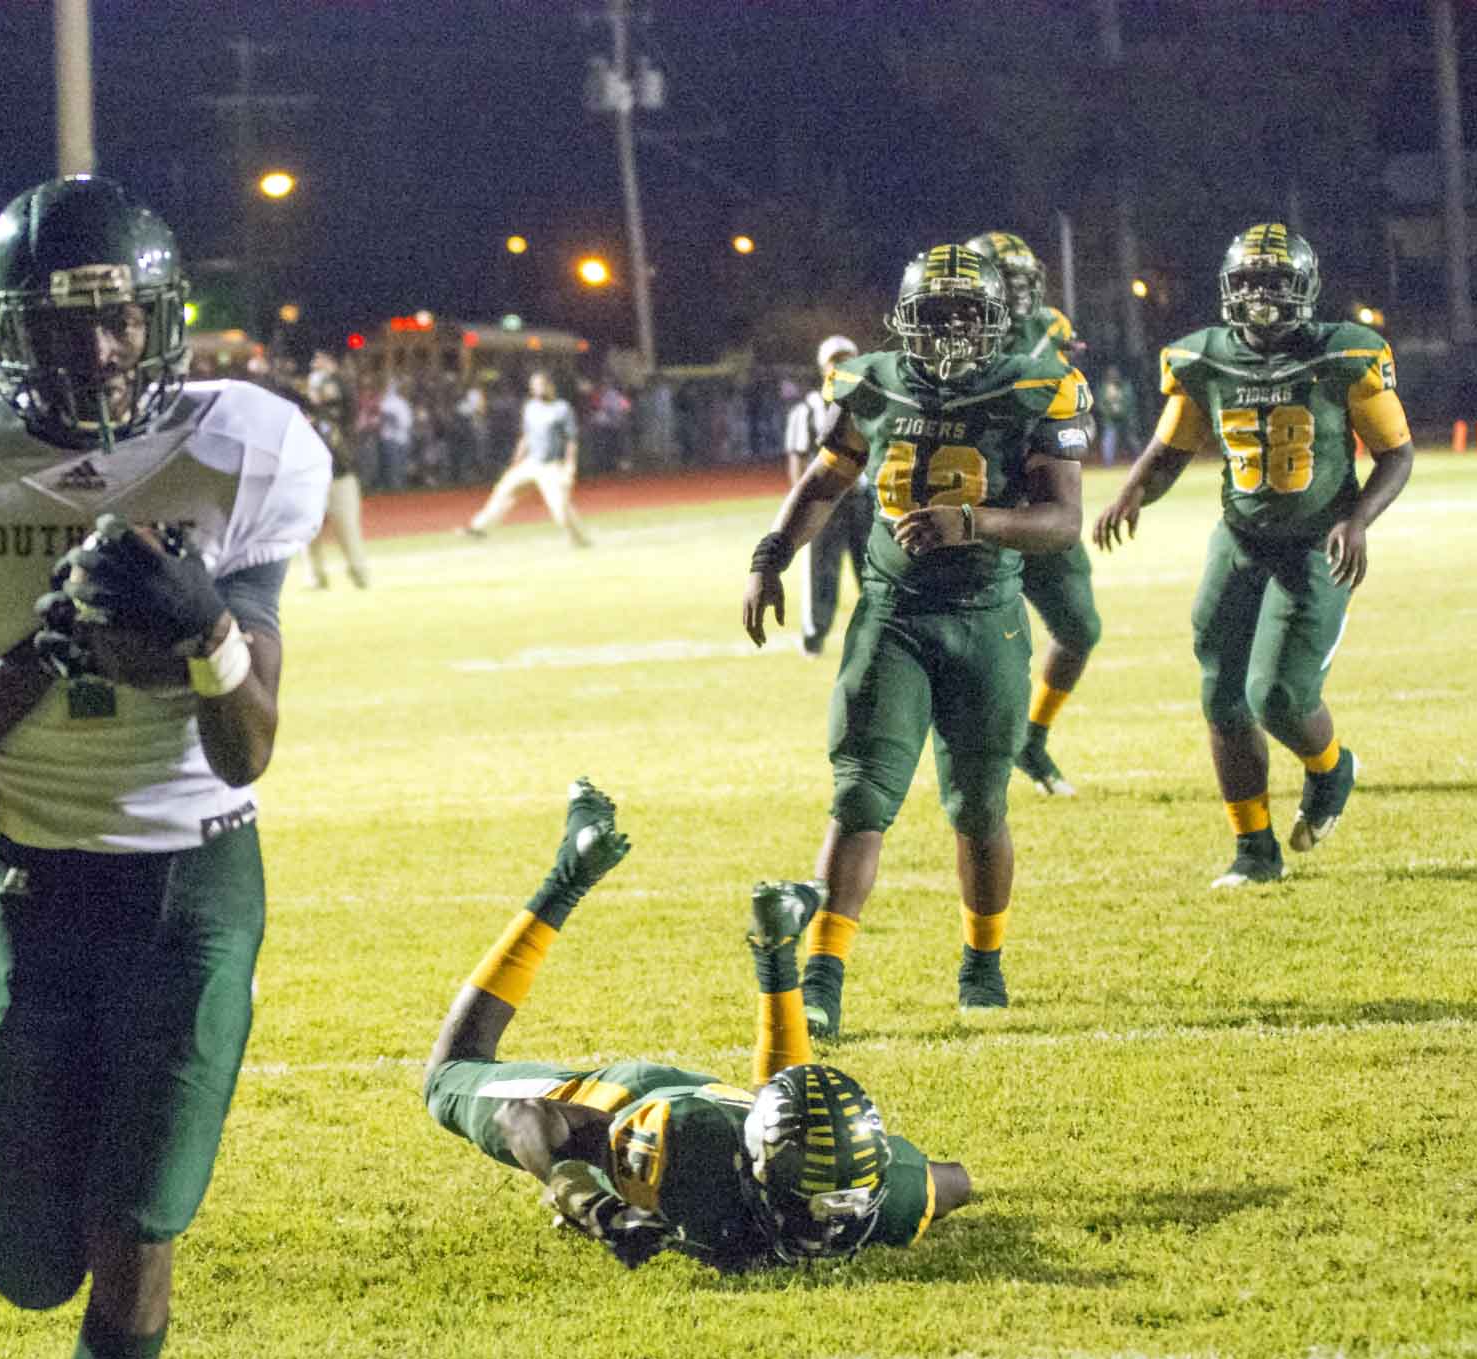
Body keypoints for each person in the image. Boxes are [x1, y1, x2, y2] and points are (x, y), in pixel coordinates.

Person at [0, 174, 328, 1359]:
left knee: (137, 1225)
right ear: (10, 330)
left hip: (193, 879)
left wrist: (207, 632)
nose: (105, 346)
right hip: (33, 882)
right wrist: (32, 663)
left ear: (161, 316)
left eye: (124, 316)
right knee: (28, 1261)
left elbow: (247, 748)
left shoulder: (236, 448)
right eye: (70, 321)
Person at [742, 244, 1091, 1026]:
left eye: (968, 315)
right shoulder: (874, 382)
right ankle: (823, 981)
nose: (951, 330)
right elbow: (826, 479)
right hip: (892, 614)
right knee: (859, 795)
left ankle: (982, 962)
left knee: (979, 806)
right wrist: (770, 557)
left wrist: (975, 523)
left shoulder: (1035, 386)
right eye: (936, 314)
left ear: (996, 320)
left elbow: (1064, 521)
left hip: (984, 617)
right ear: (906, 319)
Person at [424, 780, 970, 1271]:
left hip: (749, 1117)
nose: (826, 1234)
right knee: (448, 1075)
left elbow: (959, 1182)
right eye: (810, 1208)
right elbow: (524, 1115)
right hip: (639, 1098)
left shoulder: (893, 1192)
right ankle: (569, 876)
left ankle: (776, 953)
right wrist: (593, 1203)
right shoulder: (676, 1151)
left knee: (790, 1116)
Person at [1094, 222, 1412, 888]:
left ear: (1306, 288)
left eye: (1275, 282)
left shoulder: (1343, 354)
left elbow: (1396, 454)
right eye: (1249, 282)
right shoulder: (1205, 357)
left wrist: (1357, 521)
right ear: (1227, 288)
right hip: (1239, 540)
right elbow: (1170, 450)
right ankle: (1254, 850)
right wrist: (1130, 493)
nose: (1262, 296)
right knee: (1221, 694)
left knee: (1278, 696)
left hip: (1315, 542)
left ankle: (1331, 768)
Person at [966, 231, 1100, 798]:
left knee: (1079, 629)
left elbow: (1073, 407)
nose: (1019, 292)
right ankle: (971, 760)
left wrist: (1071, 431)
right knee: (978, 647)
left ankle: (1032, 737)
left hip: (1040, 505)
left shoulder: (1051, 326)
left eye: (1024, 280)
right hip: (976, 505)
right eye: (1008, 280)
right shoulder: (956, 331)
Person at [783, 334, 876, 658]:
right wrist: (806, 501)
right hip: (827, 500)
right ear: (823, 367)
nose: (842, 365)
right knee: (822, 572)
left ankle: (882, 635)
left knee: (874, 571)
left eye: (848, 358)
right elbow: (798, 458)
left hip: (863, 500)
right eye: (836, 360)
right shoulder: (807, 410)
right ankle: (814, 637)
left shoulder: (872, 405)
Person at [461, 369, 587, 546]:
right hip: (531, 463)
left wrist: (570, 465)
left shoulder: (562, 408)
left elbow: (571, 439)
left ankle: (578, 539)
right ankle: (478, 527)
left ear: (550, 386)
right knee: (503, 491)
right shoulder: (530, 408)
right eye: (534, 386)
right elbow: (526, 437)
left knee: (559, 507)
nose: (537, 389)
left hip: (551, 466)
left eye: (540, 385)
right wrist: (516, 462)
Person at [302, 351, 369, 589]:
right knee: (307, 530)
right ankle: (316, 576)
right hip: (311, 478)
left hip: (340, 475)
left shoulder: (341, 415)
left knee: (347, 527)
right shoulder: (304, 417)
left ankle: (358, 572)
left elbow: (349, 398)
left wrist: (335, 374)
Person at [1096, 364, 1133, 467]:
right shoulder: (1104, 388)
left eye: (1115, 374)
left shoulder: (1124, 386)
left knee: (1131, 438)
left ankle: (1138, 458)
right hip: (1110, 419)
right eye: (1111, 374)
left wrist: (1125, 412)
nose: (1113, 376)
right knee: (1109, 438)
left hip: (1125, 417)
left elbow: (1129, 401)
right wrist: (1108, 412)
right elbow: (1101, 403)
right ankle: (1108, 462)